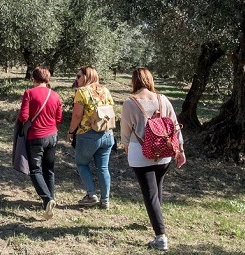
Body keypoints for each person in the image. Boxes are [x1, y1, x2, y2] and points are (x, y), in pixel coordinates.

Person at [120, 67, 186, 251]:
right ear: (150, 80)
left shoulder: (130, 102)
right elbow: (174, 126)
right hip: (164, 153)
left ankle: (160, 236)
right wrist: (180, 149)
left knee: (150, 194)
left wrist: (125, 144)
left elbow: (125, 130)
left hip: (140, 153)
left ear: (134, 81)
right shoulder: (163, 99)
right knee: (156, 191)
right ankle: (157, 221)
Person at [66, 66, 115, 209]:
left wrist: (71, 131)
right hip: (107, 133)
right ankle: (105, 200)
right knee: (103, 167)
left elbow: (76, 115)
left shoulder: (82, 92)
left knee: (81, 164)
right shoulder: (105, 90)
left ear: (86, 77)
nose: (76, 79)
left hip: (88, 134)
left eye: (78, 76)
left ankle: (91, 194)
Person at [18, 67, 63, 220]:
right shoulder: (55, 95)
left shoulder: (29, 93)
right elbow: (59, 119)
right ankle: (50, 200)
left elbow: (23, 116)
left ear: (34, 78)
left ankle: (47, 198)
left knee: (35, 170)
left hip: (36, 136)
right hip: (52, 136)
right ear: (48, 78)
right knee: (49, 169)